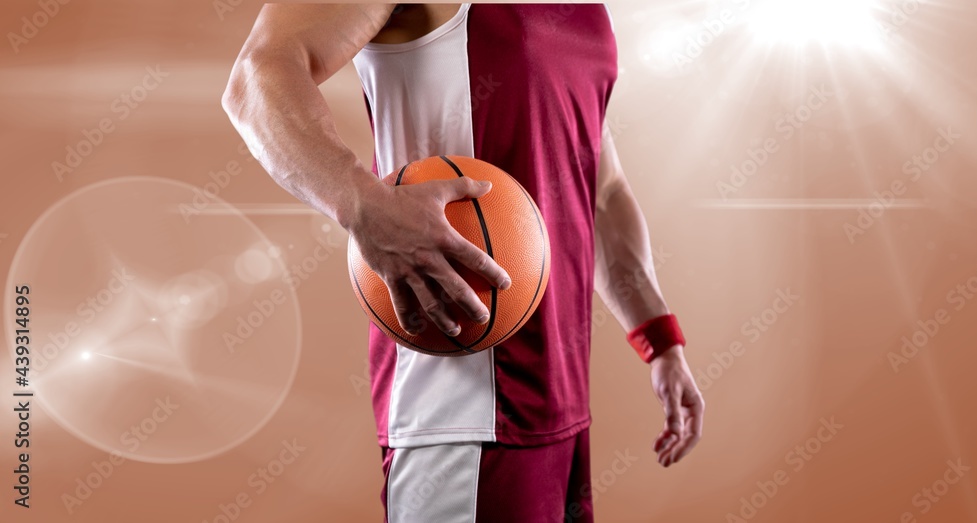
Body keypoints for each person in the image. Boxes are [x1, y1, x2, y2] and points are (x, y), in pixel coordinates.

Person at [222, 4, 704, 521]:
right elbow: (258, 77)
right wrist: (365, 204)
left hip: (561, 408)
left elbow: (601, 189)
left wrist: (660, 341)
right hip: (460, 409)